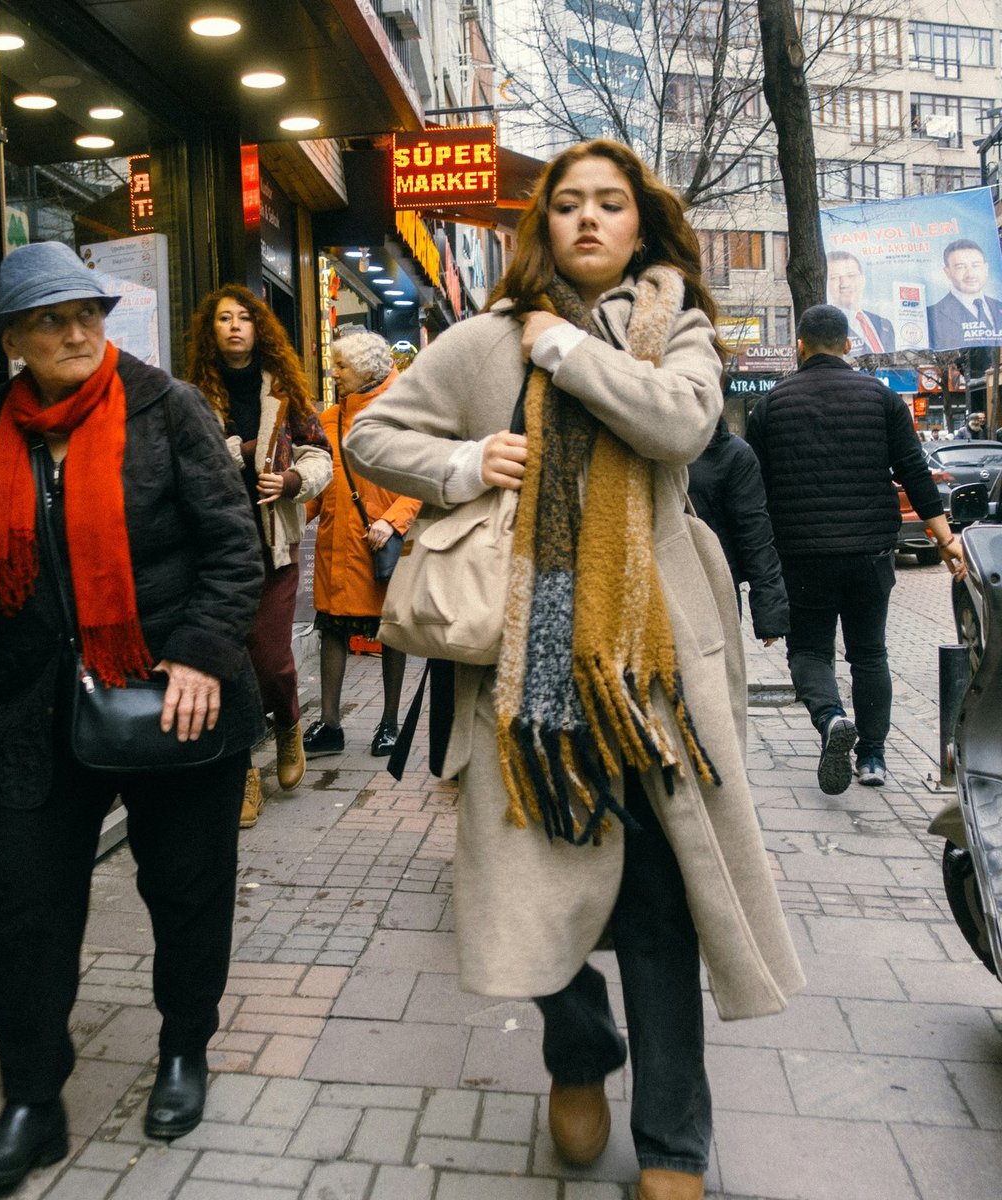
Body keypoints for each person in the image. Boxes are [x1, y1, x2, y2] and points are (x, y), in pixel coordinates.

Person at [345, 139, 803, 1200]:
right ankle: (578, 1049)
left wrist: (561, 350)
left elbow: (679, 422)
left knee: (657, 903)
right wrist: (461, 464)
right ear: (540, 225)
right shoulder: (480, 341)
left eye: (610, 205)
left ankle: (677, 1144)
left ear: (641, 223)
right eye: (568, 206)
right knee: (534, 884)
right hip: (527, 656)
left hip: (650, 663)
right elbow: (372, 433)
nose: (588, 220)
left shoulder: (676, 327)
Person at [0, 241, 264, 1191]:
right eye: (52, 319)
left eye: (87, 314)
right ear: (13, 338)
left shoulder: (167, 408)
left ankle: (185, 1049)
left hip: (169, 697)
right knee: (24, 909)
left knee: (185, 892)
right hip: (37, 704)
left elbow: (236, 548)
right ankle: (33, 1101)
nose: (75, 332)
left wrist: (200, 653)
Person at [748, 304, 967, 792]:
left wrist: (757, 569)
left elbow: (754, 495)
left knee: (810, 650)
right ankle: (872, 758)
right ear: (848, 345)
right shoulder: (880, 399)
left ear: (798, 346)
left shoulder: (772, 405)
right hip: (869, 553)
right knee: (869, 654)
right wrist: (944, 539)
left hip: (801, 555)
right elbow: (914, 470)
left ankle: (830, 720)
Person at [187, 285, 332, 827]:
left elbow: (321, 454)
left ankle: (288, 723)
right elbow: (190, 461)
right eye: (223, 318)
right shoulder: (194, 397)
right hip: (218, 550)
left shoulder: (286, 391)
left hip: (275, 546)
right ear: (212, 330)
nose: (234, 326)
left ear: (258, 327)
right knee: (232, 664)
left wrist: (294, 477)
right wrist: (244, 452)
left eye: (244, 318)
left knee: (270, 658)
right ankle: (245, 770)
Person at [303, 329, 422, 758]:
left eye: (342, 367)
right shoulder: (328, 418)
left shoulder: (401, 414)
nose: (334, 374)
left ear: (368, 369)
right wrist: (289, 518)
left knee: (388, 632)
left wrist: (393, 522)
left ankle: (389, 724)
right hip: (336, 544)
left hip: (380, 545)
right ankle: (330, 723)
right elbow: (318, 482)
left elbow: (419, 479)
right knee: (332, 628)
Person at [686, 413, 789, 643]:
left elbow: (754, 532)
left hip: (715, 587)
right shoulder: (643, 445)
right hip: (653, 587)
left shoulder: (733, 453)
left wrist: (770, 612)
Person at [928, 239, 1002, 349]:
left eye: (975, 265)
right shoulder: (932, 315)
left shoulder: (999, 306)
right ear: (947, 272)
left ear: (986, 268)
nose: (970, 274)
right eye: (960, 267)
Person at [825, 250, 895, 354]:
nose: (845, 284)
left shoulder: (885, 325)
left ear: (863, 279)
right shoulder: (826, 328)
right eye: (834, 278)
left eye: (851, 275)